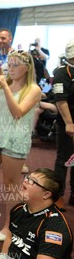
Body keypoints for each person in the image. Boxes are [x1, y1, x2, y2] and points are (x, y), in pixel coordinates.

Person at [0, 51, 41, 242]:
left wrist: (4, 86)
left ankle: (9, 227)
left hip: (15, 139)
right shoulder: (1, 86)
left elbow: (18, 112)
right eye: (9, 65)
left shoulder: (33, 89)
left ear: (27, 68)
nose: (11, 69)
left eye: (15, 65)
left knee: (10, 186)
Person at [53, 39, 74, 209]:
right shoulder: (62, 72)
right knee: (64, 160)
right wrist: (69, 123)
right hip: (68, 124)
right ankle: (58, 196)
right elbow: (61, 101)